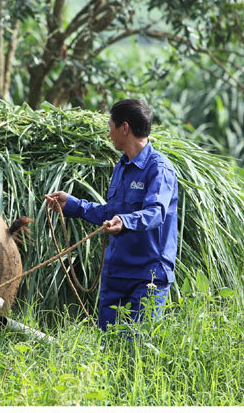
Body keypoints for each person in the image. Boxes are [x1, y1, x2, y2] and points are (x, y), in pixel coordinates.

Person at [45, 99, 178, 331]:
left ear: (124, 128)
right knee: (108, 348)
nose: (109, 133)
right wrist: (72, 205)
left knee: (136, 347)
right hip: (116, 274)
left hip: (147, 277)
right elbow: (111, 213)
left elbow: (156, 213)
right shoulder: (121, 167)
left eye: (111, 127)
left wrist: (125, 221)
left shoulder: (159, 169)